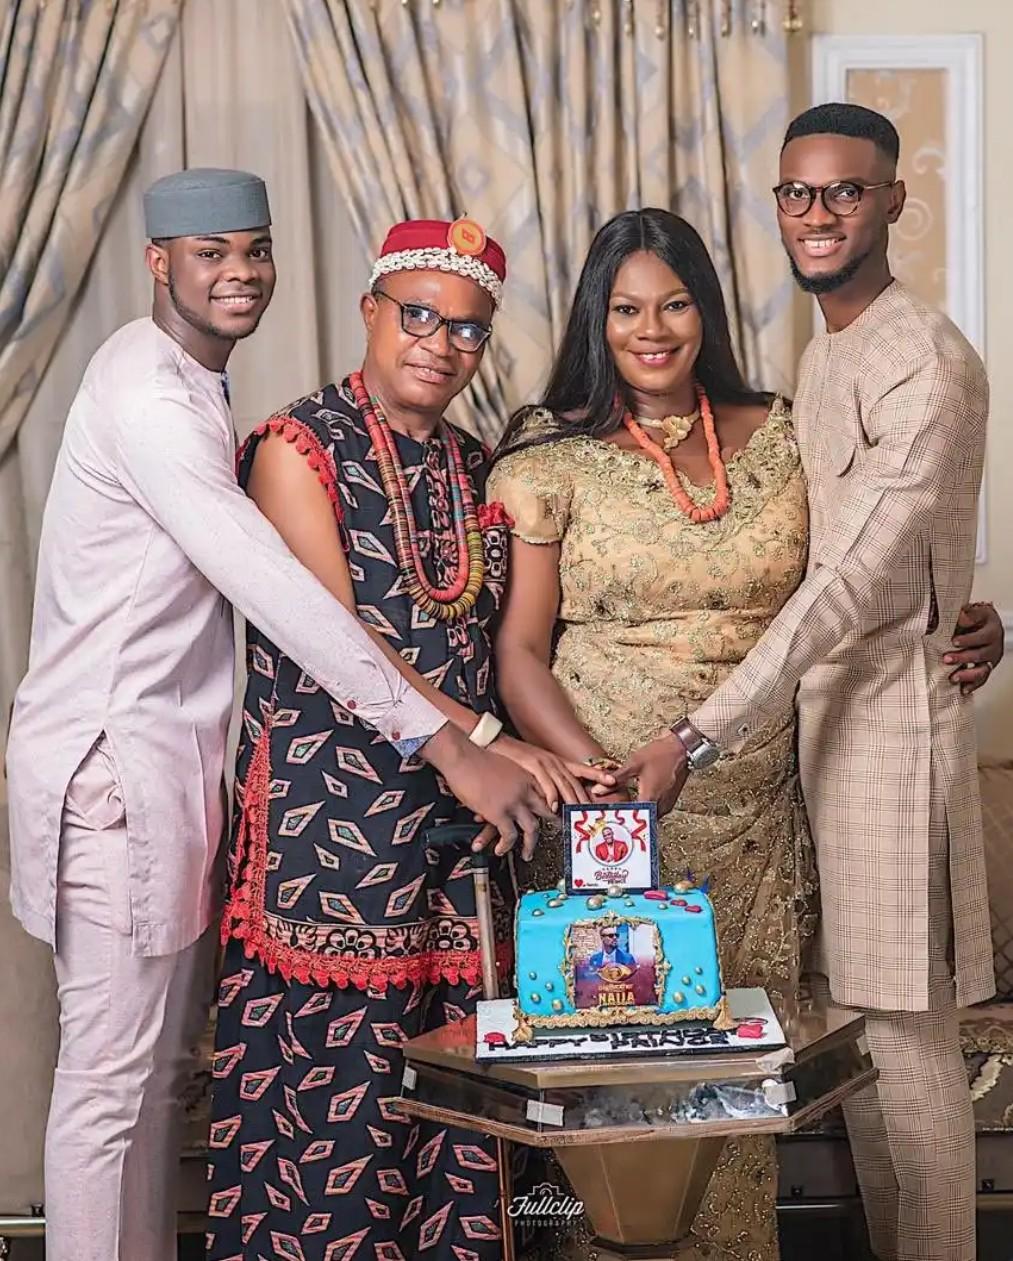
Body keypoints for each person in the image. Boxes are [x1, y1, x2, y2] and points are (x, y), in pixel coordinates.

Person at [4, 178, 556, 1261]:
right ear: (159, 261)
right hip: (114, 777)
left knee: (153, 1083)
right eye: (210, 252)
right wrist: (459, 745)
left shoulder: (196, 385)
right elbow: (291, 604)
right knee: (110, 1088)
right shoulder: (158, 399)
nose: (240, 273)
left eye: (254, 250)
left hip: (172, 781)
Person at [487, 203, 1003, 1257]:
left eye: (675, 303)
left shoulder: (783, 432)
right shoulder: (550, 455)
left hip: (766, 809)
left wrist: (960, 612)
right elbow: (521, 651)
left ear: (706, 312)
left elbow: (867, 562)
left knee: (733, 1093)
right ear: (595, 319)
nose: (651, 329)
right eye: (625, 308)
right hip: (608, 819)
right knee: (616, 1084)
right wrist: (595, 783)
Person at [616, 105, 997, 1261]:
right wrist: (972, 607)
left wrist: (693, 736)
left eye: (844, 191)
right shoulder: (826, 349)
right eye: (796, 193)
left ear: (892, 202)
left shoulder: (923, 361)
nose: (816, 213)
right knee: (854, 1046)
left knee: (907, 1051)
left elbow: (845, 582)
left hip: (888, 746)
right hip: (813, 748)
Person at [204, 218, 612, 1261]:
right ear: (370, 311)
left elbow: (505, 641)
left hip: (460, 833)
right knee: (331, 1112)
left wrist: (544, 754)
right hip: (328, 835)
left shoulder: (478, 466)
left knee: (459, 1105)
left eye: (466, 329)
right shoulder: (296, 447)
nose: (439, 343)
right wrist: (486, 741)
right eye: (418, 315)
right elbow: (339, 643)